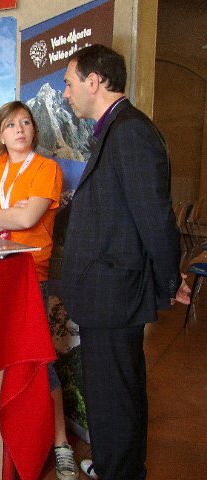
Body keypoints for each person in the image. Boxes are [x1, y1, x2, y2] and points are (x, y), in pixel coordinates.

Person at [60, 44, 190, 480]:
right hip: (106, 290)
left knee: (116, 393)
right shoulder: (115, 128)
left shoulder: (130, 131)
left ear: (94, 81)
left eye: (69, 83)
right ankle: (115, 464)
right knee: (110, 390)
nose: (66, 93)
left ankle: (121, 471)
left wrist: (169, 279)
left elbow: (154, 217)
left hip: (114, 292)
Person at [0, 101, 77, 480]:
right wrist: (5, 215)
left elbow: (29, 218)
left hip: (31, 275)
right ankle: (6, 443)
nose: (20, 129)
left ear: (34, 130)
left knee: (39, 360)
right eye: (11, 124)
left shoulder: (46, 169)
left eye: (26, 122)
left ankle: (60, 443)